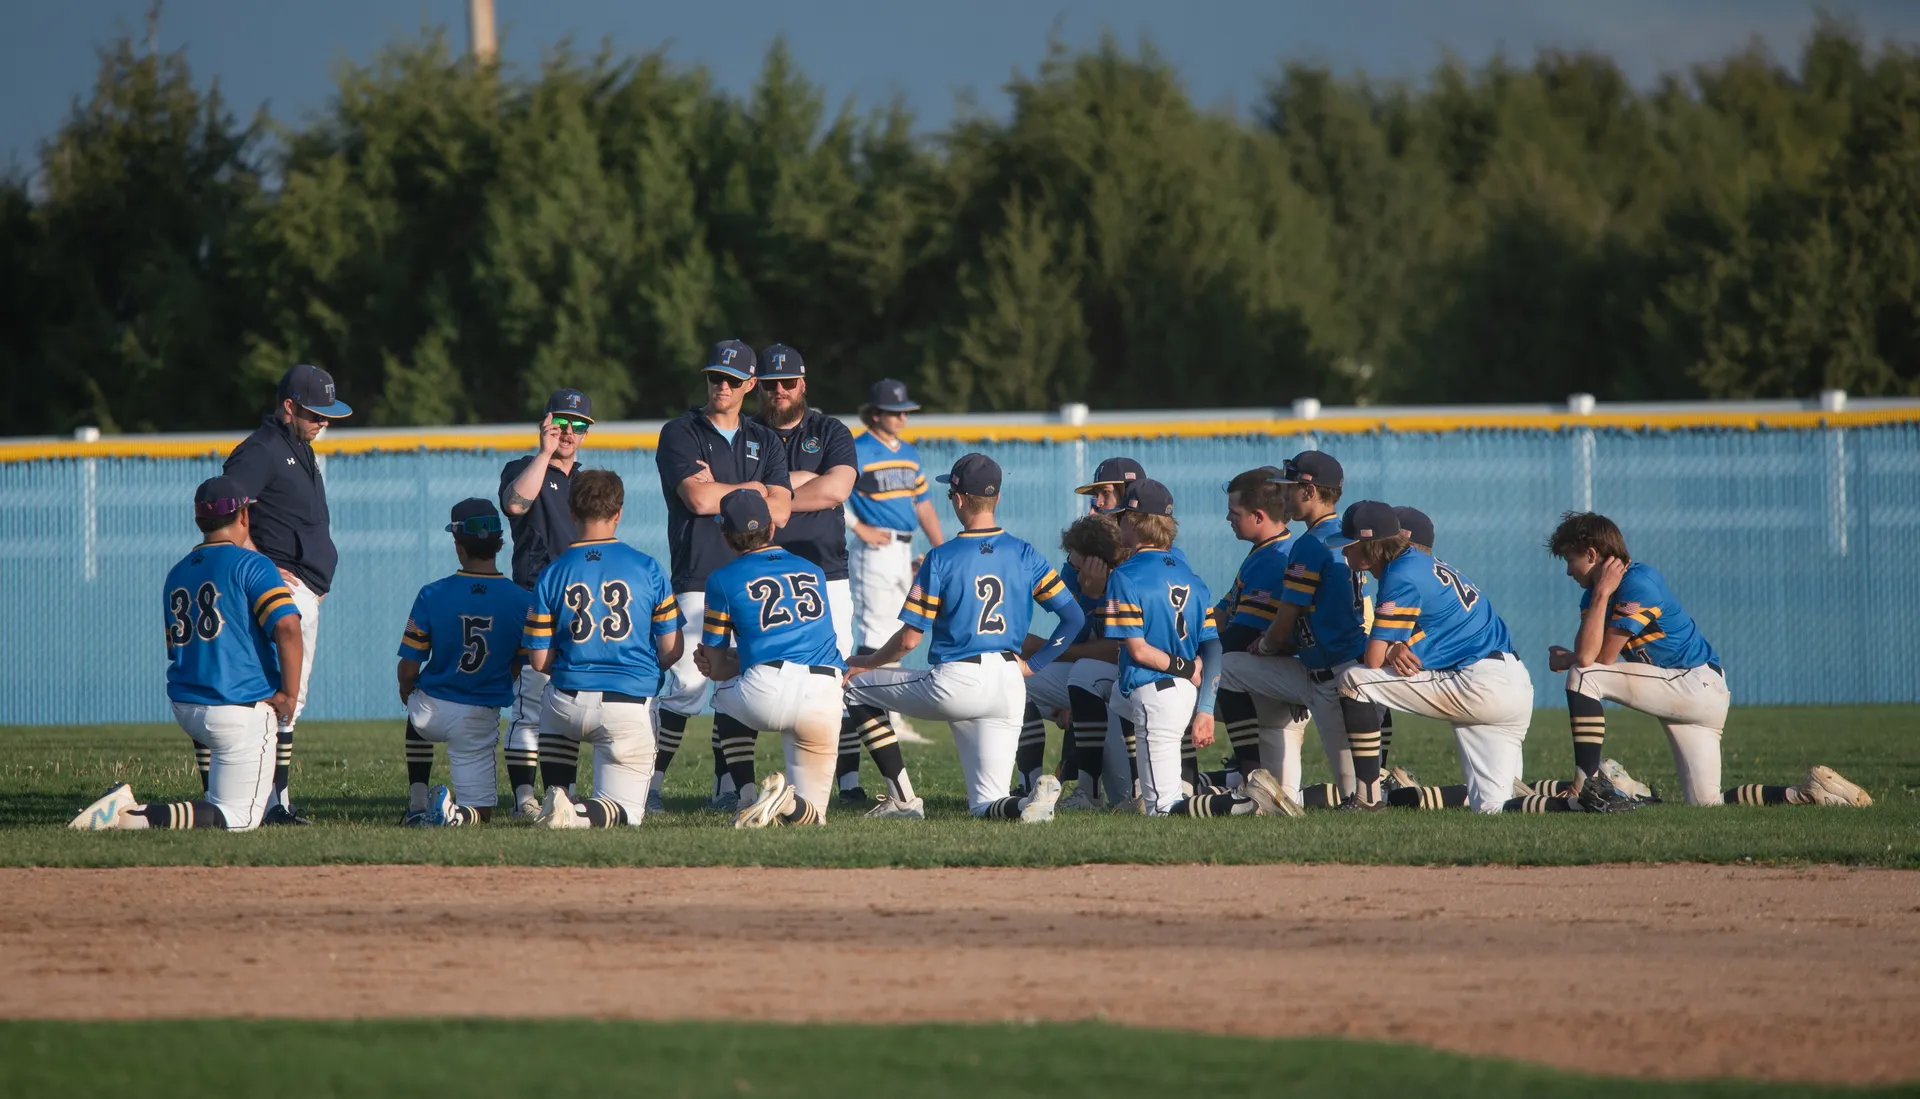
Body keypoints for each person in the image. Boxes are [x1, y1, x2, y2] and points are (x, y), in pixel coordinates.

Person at [1544, 511, 1870, 809]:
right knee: (1706, 803)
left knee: (1584, 676)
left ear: (1591, 554)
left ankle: (1581, 786)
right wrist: (1595, 606)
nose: (1568, 570)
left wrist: (1591, 616)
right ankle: (1807, 794)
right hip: (1690, 691)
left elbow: (1595, 658)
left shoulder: (1637, 583)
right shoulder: (1594, 593)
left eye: (1570, 559)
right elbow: (1592, 653)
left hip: (1692, 684)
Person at [843, 453, 1082, 821]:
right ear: (997, 498)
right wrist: (1035, 665)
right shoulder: (1024, 553)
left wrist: (866, 662)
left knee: (855, 689)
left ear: (956, 499)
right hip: (1009, 682)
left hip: (958, 680)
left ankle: (903, 800)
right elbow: (1073, 618)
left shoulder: (941, 557)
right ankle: (1030, 800)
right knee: (986, 806)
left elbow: (909, 640)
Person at [72, 478, 303, 832]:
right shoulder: (252, 565)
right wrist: (288, 693)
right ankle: (131, 814)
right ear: (243, 515)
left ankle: (148, 811)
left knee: (218, 802)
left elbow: (177, 647)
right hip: (236, 709)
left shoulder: (177, 573)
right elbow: (286, 627)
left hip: (187, 706)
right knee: (239, 819)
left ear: (199, 521)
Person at [1330, 500, 1544, 814]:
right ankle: (1578, 804)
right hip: (1513, 684)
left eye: (1349, 544)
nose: (1344, 552)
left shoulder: (1400, 573)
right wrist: (1392, 648)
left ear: (1369, 546)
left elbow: (1372, 660)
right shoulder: (1423, 563)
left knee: (1355, 682)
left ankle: (1368, 797)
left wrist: (1388, 648)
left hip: (1477, 683)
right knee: (1495, 809)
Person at [652, 341, 792, 814]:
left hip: (750, 579)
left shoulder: (765, 438)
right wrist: (753, 489)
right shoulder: (681, 432)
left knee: (736, 681)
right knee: (688, 685)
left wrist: (726, 490)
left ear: (752, 384)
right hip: (698, 575)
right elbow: (697, 500)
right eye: (716, 377)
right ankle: (647, 785)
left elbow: (783, 509)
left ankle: (726, 787)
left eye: (734, 379)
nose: (723, 386)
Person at [720, 343, 860, 809]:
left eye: (788, 382)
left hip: (826, 572)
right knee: (746, 673)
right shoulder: (747, 431)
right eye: (769, 384)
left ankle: (850, 781)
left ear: (803, 384)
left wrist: (767, 499)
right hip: (756, 573)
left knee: (834, 678)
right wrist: (795, 483)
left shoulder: (829, 429)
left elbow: (836, 489)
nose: (778, 391)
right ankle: (733, 787)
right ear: (757, 387)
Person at [1102, 479, 1293, 818]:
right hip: (1184, 697)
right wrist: (1205, 709)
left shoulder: (1125, 575)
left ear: (1133, 521)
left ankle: (1246, 802)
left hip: (1156, 691)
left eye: (1122, 518)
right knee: (1112, 693)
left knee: (1164, 811)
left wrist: (1186, 668)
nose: (1118, 524)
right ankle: (1152, 791)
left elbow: (1140, 651)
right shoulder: (1193, 578)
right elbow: (1214, 649)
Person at [220, 363, 349, 824]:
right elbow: (223, 505)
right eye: (316, 413)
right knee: (280, 698)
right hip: (279, 594)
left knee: (291, 700)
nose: (323, 422)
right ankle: (271, 803)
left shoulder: (298, 445)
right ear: (289, 407)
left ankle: (275, 800)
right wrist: (260, 563)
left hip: (304, 591)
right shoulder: (263, 449)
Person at [524, 471, 684, 828]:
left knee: (554, 707)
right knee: (625, 814)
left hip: (565, 702)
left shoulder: (552, 573)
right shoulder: (648, 568)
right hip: (626, 705)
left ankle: (560, 795)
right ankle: (577, 813)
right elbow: (672, 650)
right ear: (619, 513)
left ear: (571, 512)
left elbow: (538, 660)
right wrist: (641, 668)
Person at [1216, 452, 1367, 808]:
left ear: (1309, 490)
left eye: (1290, 488)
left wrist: (1269, 647)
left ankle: (1239, 778)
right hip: (1334, 667)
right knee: (1355, 791)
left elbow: (1284, 621)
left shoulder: (1309, 544)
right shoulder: (1341, 536)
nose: (1284, 497)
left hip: (1330, 674)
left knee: (1220, 670)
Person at [695, 490, 844, 828]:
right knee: (813, 819)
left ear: (725, 536)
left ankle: (745, 798)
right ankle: (787, 802)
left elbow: (717, 667)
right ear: (772, 528)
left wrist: (713, 661)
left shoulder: (721, 579)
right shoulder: (813, 570)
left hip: (766, 689)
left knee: (725, 693)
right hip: (824, 692)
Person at [395, 499, 533, 827]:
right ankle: (453, 813)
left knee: (415, 709)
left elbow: (409, 667)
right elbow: (518, 664)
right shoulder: (523, 601)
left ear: (458, 546)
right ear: (500, 542)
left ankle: (417, 800)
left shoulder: (432, 593)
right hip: (478, 716)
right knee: (480, 816)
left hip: (430, 711)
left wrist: (407, 691)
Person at [499, 388, 597, 818]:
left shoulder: (589, 482)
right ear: (545, 423)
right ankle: (524, 799)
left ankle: (564, 795)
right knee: (531, 703)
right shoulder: (524, 467)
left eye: (579, 425)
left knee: (570, 700)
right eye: (562, 422)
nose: (569, 433)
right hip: (534, 597)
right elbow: (515, 503)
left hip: (579, 606)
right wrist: (544, 452)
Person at [844, 379, 944, 766]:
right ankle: (870, 712)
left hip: (905, 550)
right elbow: (834, 496)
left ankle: (890, 716)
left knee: (903, 631)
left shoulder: (910, 453)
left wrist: (941, 551)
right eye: (895, 411)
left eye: (905, 411)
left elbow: (923, 507)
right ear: (875, 413)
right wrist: (859, 528)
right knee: (875, 630)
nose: (902, 417)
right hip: (875, 548)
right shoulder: (858, 449)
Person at [1208, 465, 1301, 786]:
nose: (1228, 519)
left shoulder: (1273, 558)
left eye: (1234, 513)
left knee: (1179, 685)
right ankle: (1237, 778)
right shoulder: (1265, 550)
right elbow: (1222, 613)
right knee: (1287, 798)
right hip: (1278, 681)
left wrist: (1184, 659)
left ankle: (1241, 775)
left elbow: (1240, 635)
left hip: (1281, 682)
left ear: (1259, 516)